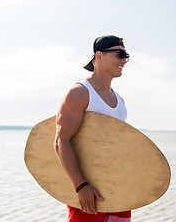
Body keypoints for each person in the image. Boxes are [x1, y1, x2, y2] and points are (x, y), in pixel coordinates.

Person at [54, 35, 131, 222]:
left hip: (118, 190)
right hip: (88, 192)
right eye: (119, 54)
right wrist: (80, 186)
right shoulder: (80, 93)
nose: (123, 60)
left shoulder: (119, 101)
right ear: (99, 55)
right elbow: (61, 141)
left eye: (126, 56)